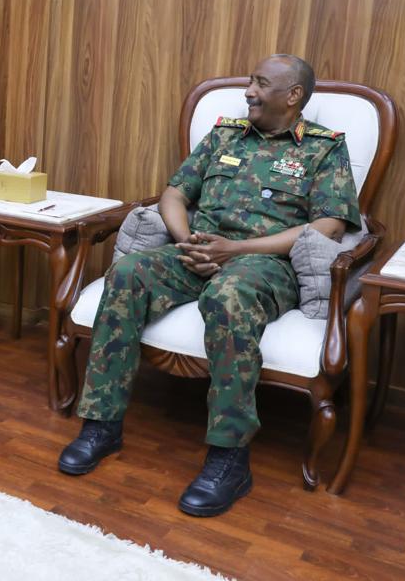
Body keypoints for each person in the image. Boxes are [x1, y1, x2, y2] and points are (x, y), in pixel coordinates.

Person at [58, 54, 360, 516]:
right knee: (127, 273)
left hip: (264, 264)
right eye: (251, 82)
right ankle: (101, 425)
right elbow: (174, 194)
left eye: (261, 84)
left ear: (293, 95)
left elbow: (329, 226)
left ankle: (229, 458)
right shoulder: (224, 135)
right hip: (197, 249)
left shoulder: (324, 148)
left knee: (229, 296)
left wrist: (234, 251)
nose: (249, 92)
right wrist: (188, 242)